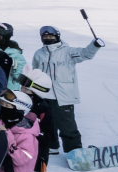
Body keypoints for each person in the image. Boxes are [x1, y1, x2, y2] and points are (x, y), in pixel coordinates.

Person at [30, 24, 101, 155]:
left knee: (67, 126)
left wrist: (94, 45)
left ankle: (74, 152)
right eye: (44, 36)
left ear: (57, 37)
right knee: (46, 123)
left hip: (62, 96)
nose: (47, 38)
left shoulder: (68, 51)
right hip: (44, 95)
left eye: (50, 36)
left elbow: (86, 54)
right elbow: (35, 72)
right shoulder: (39, 53)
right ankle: (51, 146)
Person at [0, 22, 26, 90]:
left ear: (5, 37)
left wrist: (15, 66)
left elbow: (21, 78)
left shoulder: (15, 54)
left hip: (11, 91)